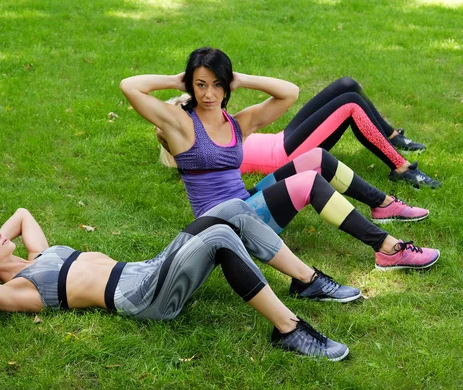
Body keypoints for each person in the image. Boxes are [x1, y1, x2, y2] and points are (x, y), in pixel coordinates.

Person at [120, 47, 440, 272]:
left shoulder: (236, 123)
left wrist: (240, 78)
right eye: (200, 85)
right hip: (225, 225)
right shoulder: (180, 126)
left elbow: (289, 92)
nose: (208, 94)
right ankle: (387, 249)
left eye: (217, 85)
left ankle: (383, 203)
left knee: (315, 158)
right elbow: (130, 86)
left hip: (247, 204)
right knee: (309, 182)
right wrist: (180, 80)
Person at [0, 200, 360, 361]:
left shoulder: (38, 256)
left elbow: (25, 213)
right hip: (140, 298)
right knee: (220, 237)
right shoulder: (14, 291)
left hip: (146, 270)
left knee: (231, 209)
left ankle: (307, 281)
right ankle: (289, 330)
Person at [240, 77, 441, 189]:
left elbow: (289, 92)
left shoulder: (218, 121)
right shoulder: (208, 148)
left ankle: (391, 136)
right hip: (283, 158)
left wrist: (240, 79)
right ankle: (401, 169)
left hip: (281, 139)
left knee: (347, 85)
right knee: (350, 104)